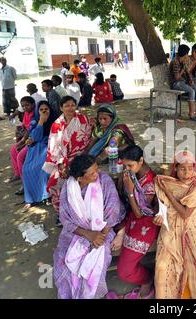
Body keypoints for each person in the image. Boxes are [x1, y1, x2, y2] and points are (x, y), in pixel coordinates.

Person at [53, 155, 121, 299]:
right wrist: (88, 235)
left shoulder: (104, 181)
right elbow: (65, 218)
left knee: (94, 264)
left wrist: (99, 236)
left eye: (97, 169)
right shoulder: (69, 188)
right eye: (92, 173)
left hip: (103, 230)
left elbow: (113, 211)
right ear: (79, 178)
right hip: (76, 231)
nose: (97, 174)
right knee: (63, 259)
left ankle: (87, 296)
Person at [153, 150, 196, 299]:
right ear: (175, 167)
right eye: (182, 168)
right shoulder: (167, 182)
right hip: (171, 224)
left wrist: (168, 193)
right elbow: (162, 205)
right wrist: (160, 215)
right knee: (163, 268)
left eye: (190, 168)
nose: (187, 172)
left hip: (192, 223)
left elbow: (185, 214)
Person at [110, 145, 159, 299]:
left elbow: (140, 213)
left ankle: (148, 279)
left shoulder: (150, 182)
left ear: (141, 160)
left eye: (130, 165)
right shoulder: (133, 175)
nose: (127, 169)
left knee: (124, 272)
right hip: (131, 218)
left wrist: (130, 191)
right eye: (125, 166)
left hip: (146, 224)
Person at [43, 96, 92, 221]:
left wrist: (82, 158)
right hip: (62, 160)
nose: (70, 108)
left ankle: (80, 212)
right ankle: (61, 213)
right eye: (67, 105)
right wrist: (61, 164)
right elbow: (53, 146)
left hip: (80, 157)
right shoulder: (56, 124)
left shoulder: (82, 119)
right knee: (54, 183)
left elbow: (87, 139)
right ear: (61, 108)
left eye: (72, 105)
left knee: (81, 181)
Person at [22, 100, 57, 208]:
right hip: (36, 147)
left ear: (50, 110)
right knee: (26, 169)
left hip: (51, 146)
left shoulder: (56, 120)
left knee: (42, 167)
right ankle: (31, 198)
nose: (44, 111)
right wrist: (41, 122)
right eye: (41, 110)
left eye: (46, 109)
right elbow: (35, 137)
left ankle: (45, 195)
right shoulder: (35, 121)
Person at [169, 44, 196, 121]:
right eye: (187, 54)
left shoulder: (183, 61)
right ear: (184, 54)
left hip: (183, 82)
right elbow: (177, 77)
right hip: (175, 83)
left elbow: (188, 73)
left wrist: (190, 80)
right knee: (192, 91)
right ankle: (191, 114)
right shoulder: (175, 62)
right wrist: (183, 69)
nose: (188, 55)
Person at [9, 96, 36, 186]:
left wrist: (22, 141)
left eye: (27, 105)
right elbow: (25, 127)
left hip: (33, 140)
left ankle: (25, 182)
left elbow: (31, 130)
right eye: (23, 106)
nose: (25, 108)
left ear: (32, 104)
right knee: (13, 149)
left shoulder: (34, 115)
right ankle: (18, 173)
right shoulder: (26, 114)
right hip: (26, 137)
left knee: (20, 156)